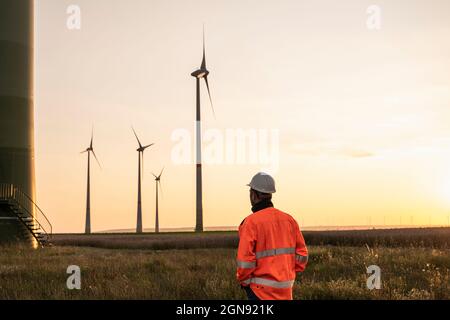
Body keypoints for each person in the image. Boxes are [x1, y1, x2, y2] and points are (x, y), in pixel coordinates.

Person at [236, 172, 308, 300]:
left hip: (259, 293)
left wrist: (245, 282)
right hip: (286, 290)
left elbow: (245, 262)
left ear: (253, 194)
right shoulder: (289, 220)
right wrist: (287, 275)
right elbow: (302, 256)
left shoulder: (250, 223)